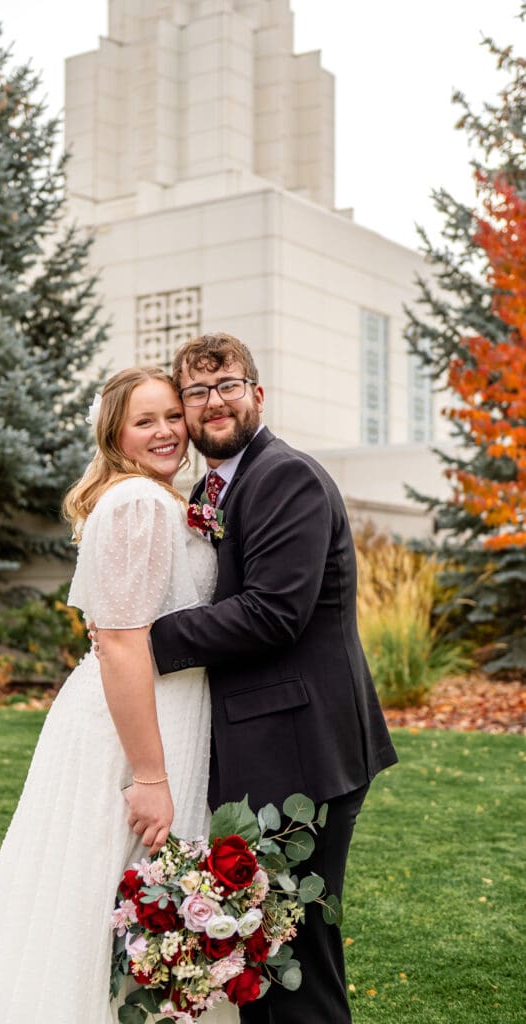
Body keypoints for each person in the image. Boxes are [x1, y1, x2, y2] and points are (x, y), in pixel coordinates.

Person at [0, 367, 237, 1024]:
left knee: (125, 906)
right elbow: (120, 642)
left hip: (164, 711)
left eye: (170, 417)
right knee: (97, 902)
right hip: (132, 730)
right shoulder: (136, 505)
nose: (163, 431)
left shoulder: (153, 498)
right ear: (116, 435)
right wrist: (149, 775)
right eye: (143, 421)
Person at [145, 333, 399, 1024]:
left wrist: (141, 641)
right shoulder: (208, 487)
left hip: (300, 750)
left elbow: (272, 614)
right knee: (258, 952)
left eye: (226, 384)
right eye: (195, 392)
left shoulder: (285, 476)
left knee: (295, 960)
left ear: (257, 394)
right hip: (260, 743)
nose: (212, 401)